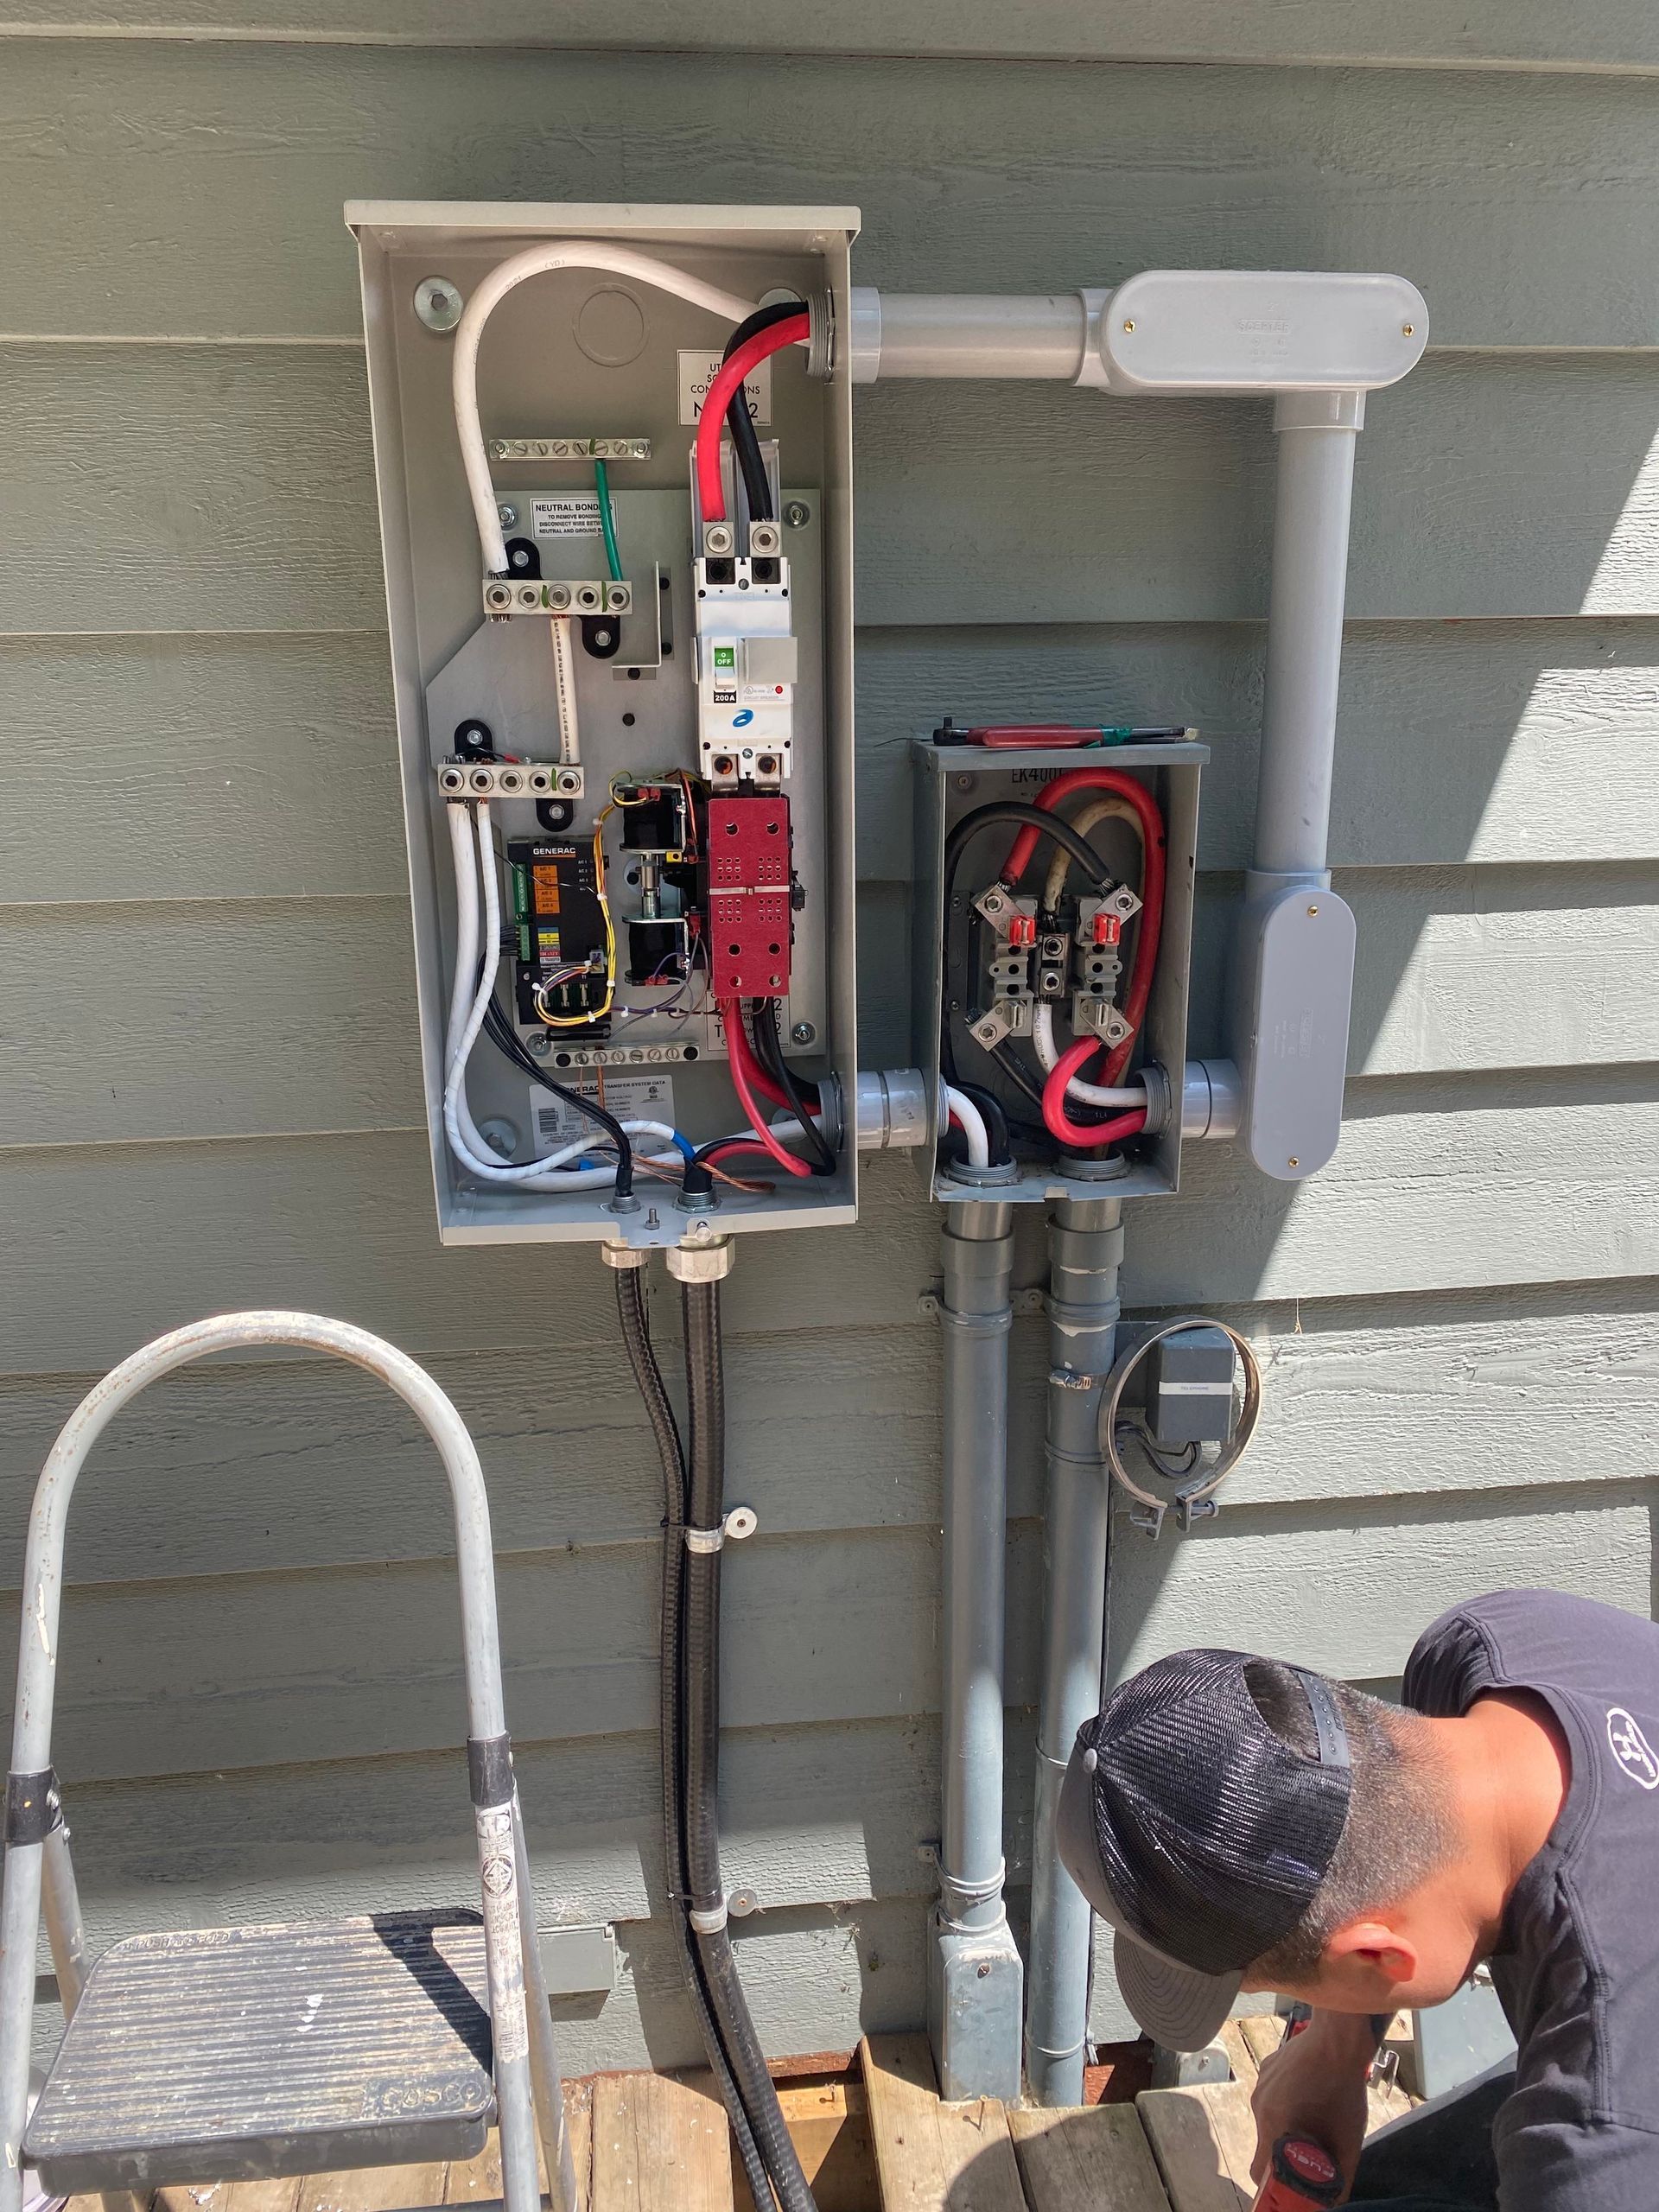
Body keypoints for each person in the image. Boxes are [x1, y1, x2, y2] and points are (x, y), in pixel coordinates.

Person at [1053, 1589, 1659, 2209]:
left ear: (1376, 1957)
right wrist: (1336, 2049)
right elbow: (1379, 1819)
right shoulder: (1500, 1642)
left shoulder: (1602, 2138)